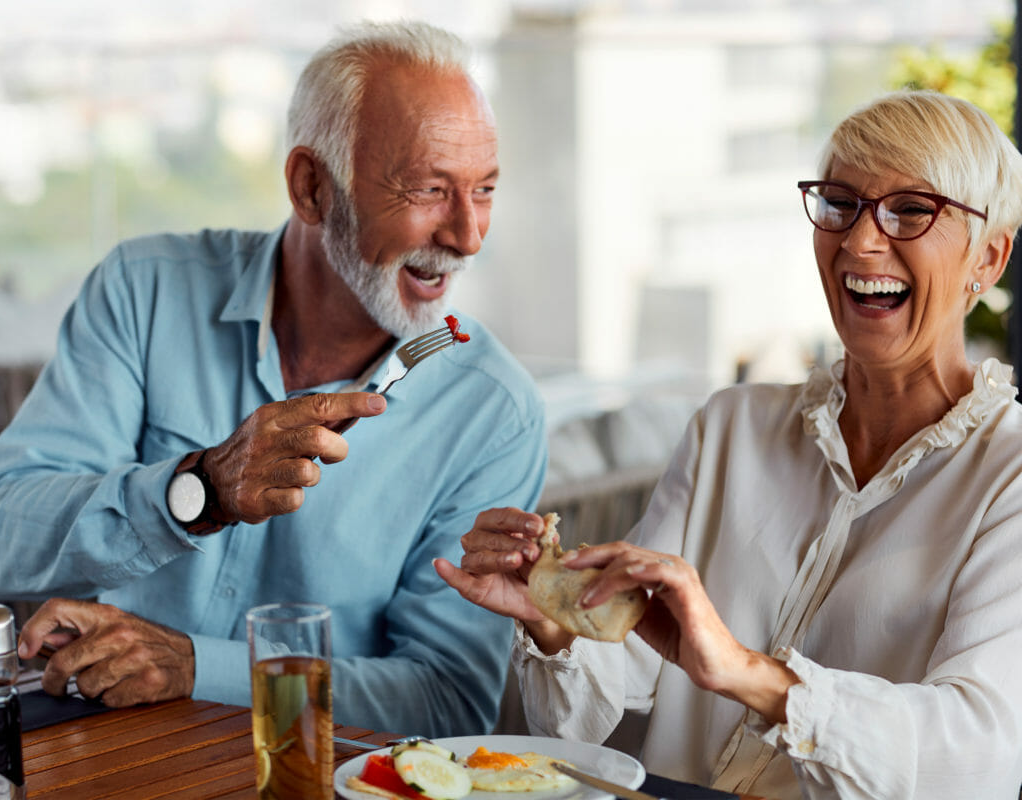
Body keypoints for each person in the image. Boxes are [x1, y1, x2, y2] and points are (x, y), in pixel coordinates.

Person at [0, 20, 547, 738]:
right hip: (93, 753)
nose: (468, 235)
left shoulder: (493, 412)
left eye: (483, 189)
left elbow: (447, 702)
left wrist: (194, 667)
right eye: (429, 189)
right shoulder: (144, 291)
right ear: (311, 187)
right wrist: (197, 489)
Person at [437, 89, 1022, 799]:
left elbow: (982, 756)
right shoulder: (730, 427)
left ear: (987, 258)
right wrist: (555, 614)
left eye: (910, 210)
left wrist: (745, 672)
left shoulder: (1008, 475)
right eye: (840, 203)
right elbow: (599, 694)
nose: (861, 242)